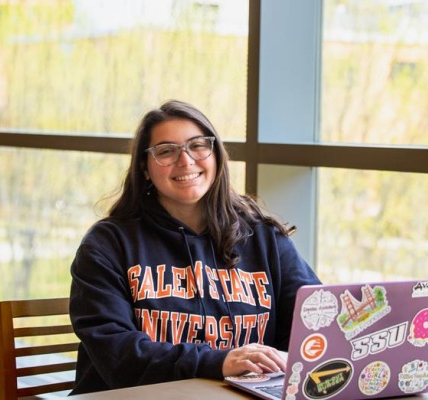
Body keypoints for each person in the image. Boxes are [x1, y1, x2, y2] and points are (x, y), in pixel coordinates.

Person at [69, 100, 321, 395]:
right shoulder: (108, 244)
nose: (186, 161)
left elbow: (314, 323)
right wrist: (219, 361)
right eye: (165, 151)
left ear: (215, 155)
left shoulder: (263, 237)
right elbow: (117, 353)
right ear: (145, 168)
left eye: (198, 145)